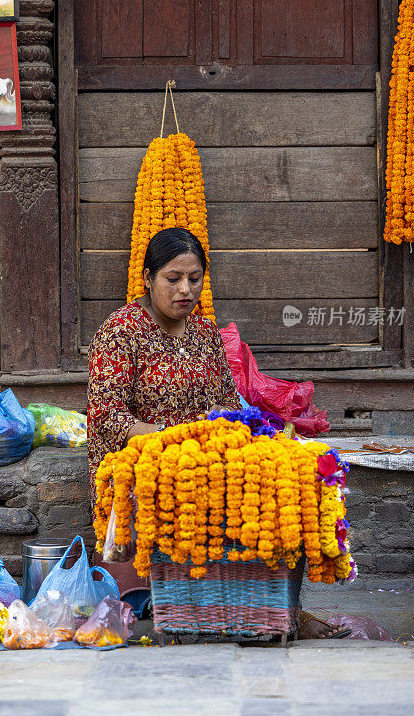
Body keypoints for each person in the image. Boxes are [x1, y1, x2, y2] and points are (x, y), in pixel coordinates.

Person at [87, 227, 349, 640]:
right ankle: (208, 606)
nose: (185, 289)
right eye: (173, 279)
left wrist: (259, 436)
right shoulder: (120, 332)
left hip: (204, 454)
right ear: (147, 278)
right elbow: (109, 418)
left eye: (195, 279)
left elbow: (227, 405)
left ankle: (275, 607)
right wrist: (171, 441)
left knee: (286, 480)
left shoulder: (205, 333)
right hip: (144, 464)